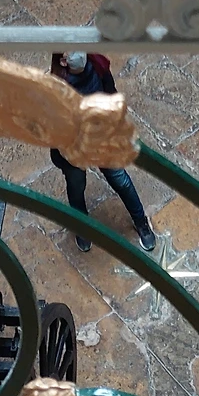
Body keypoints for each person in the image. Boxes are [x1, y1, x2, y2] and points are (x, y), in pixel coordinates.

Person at [49, 52, 156, 253]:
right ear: (63, 61)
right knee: (76, 185)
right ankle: (81, 226)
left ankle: (140, 221)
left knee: (120, 180)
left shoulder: (98, 66)